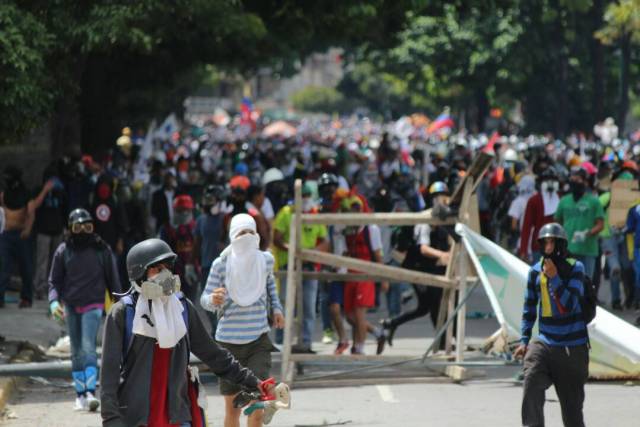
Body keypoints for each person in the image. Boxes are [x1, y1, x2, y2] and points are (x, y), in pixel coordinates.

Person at [101, 238, 273, 427]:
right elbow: (108, 373)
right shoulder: (123, 313)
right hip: (136, 418)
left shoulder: (182, 308)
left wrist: (252, 381)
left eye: (167, 268)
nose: (164, 274)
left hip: (177, 414)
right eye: (157, 269)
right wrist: (111, 419)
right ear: (139, 273)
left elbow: (213, 354)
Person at [201, 214, 284, 427]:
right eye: (241, 233)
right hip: (228, 348)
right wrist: (213, 299)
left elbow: (271, 288)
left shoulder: (265, 260)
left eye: (250, 232)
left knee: (257, 406)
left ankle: (269, 401)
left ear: (256, 235)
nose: (246, 237)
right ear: (232, 236)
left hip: (258, 342)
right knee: (233, 410)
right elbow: (204, 299)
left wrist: (277, 309)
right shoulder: (221, 264)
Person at [514, 223, 589, 427]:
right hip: (545, 343)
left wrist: (555, 277)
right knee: (530, 383)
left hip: (572, 348)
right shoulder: (535, 271)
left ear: (561, 244)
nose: (548, 246)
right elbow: (529, 308)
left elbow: (570, 304)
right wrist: (524, 339)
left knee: (572, 412)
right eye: (544, 242)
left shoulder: (576, 268)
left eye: (552, 242)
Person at [48, 208, 122, 412]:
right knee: (75, 351)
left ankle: (91, 392)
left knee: (88, 347)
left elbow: (113, 280)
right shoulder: (63, 251)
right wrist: (54, 302)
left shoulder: (102, 250)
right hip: (71, 306)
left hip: (94, 304)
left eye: (87, 227)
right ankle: (79, 395)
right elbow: (54, 281)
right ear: (70, 229)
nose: (83, 232)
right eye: (77, 227)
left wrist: (119, 305)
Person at [381, 182, 452, 350]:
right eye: (439, 197)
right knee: (433, 303)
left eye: (444, 197)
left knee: (425, 307)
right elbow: (423, 248)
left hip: (433, 268)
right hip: (419, 268)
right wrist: (442, 255)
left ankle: (392, 323)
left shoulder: (443, 219)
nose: (443, 200)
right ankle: (442, 341)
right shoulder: (425, 220)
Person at [272, 183, 329, 352]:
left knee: (309, 308)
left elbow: (325, 241)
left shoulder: (314, 214)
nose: (305, 200)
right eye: (302, 196)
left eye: (307, 196)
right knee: (284, 305)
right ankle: (281, 343)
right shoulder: (285, 213)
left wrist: (309, 253)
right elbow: (277, 239)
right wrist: (294, 251)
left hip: (309, 266)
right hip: (289, 265)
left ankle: (305, 343)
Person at [340, 196, 388, 355]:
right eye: (351, 209)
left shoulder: (371, 229)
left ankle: (359, 349)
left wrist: (384, 279)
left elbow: (378, 256)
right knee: (349, 316)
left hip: (365, 275)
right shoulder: (346, 230)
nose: (354, 211)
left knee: (360, 315)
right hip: (350, 276)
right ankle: (378, 333)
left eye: (357, 208)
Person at [0, 166, 54, 307]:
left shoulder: (25, 194)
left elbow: (31, 212)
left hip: (22, 235)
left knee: (26, 268)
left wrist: (27, 229)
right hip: (6, 235)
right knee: (4, 266)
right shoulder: (4, 194)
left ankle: (26, 298)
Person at [554, 168, 604, 279]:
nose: (574, 183)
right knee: (568, 283)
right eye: (572, 180)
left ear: (585, 182)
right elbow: (557, 222)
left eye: (578, 180)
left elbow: (600, 224)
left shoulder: (594, 201)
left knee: (586, 283)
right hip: (568, 251)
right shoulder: (564, 201)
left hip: (588, 250)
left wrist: (588, 233)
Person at [194, 184, 227, 334]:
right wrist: (191, 263)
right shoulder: (201, 220)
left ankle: (222, 331)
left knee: (223, 300)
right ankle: (215, 329)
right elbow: (197, 242)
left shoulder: (226, 219)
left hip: (224, 267)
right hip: (206, 265)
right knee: (207, 301)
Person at [33, 165, 68, 300]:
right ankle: (39, 289)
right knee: (42, 261)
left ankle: (54, 289)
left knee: (56, 263)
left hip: (58, 231)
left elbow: (65, 210)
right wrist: (45, 190)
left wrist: (66, 227)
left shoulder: (61, 191)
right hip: (43, 230)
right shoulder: (39, 190)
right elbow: (35, 206)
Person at [160, 194, 200, 302]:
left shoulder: (196, 226)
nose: (183, 213)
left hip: (191, 271)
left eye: (186, 210)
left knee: (190, 304)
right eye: (180, 210)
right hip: (171, 273)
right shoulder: (167, 228)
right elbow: (162, 252)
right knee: (171, 306)